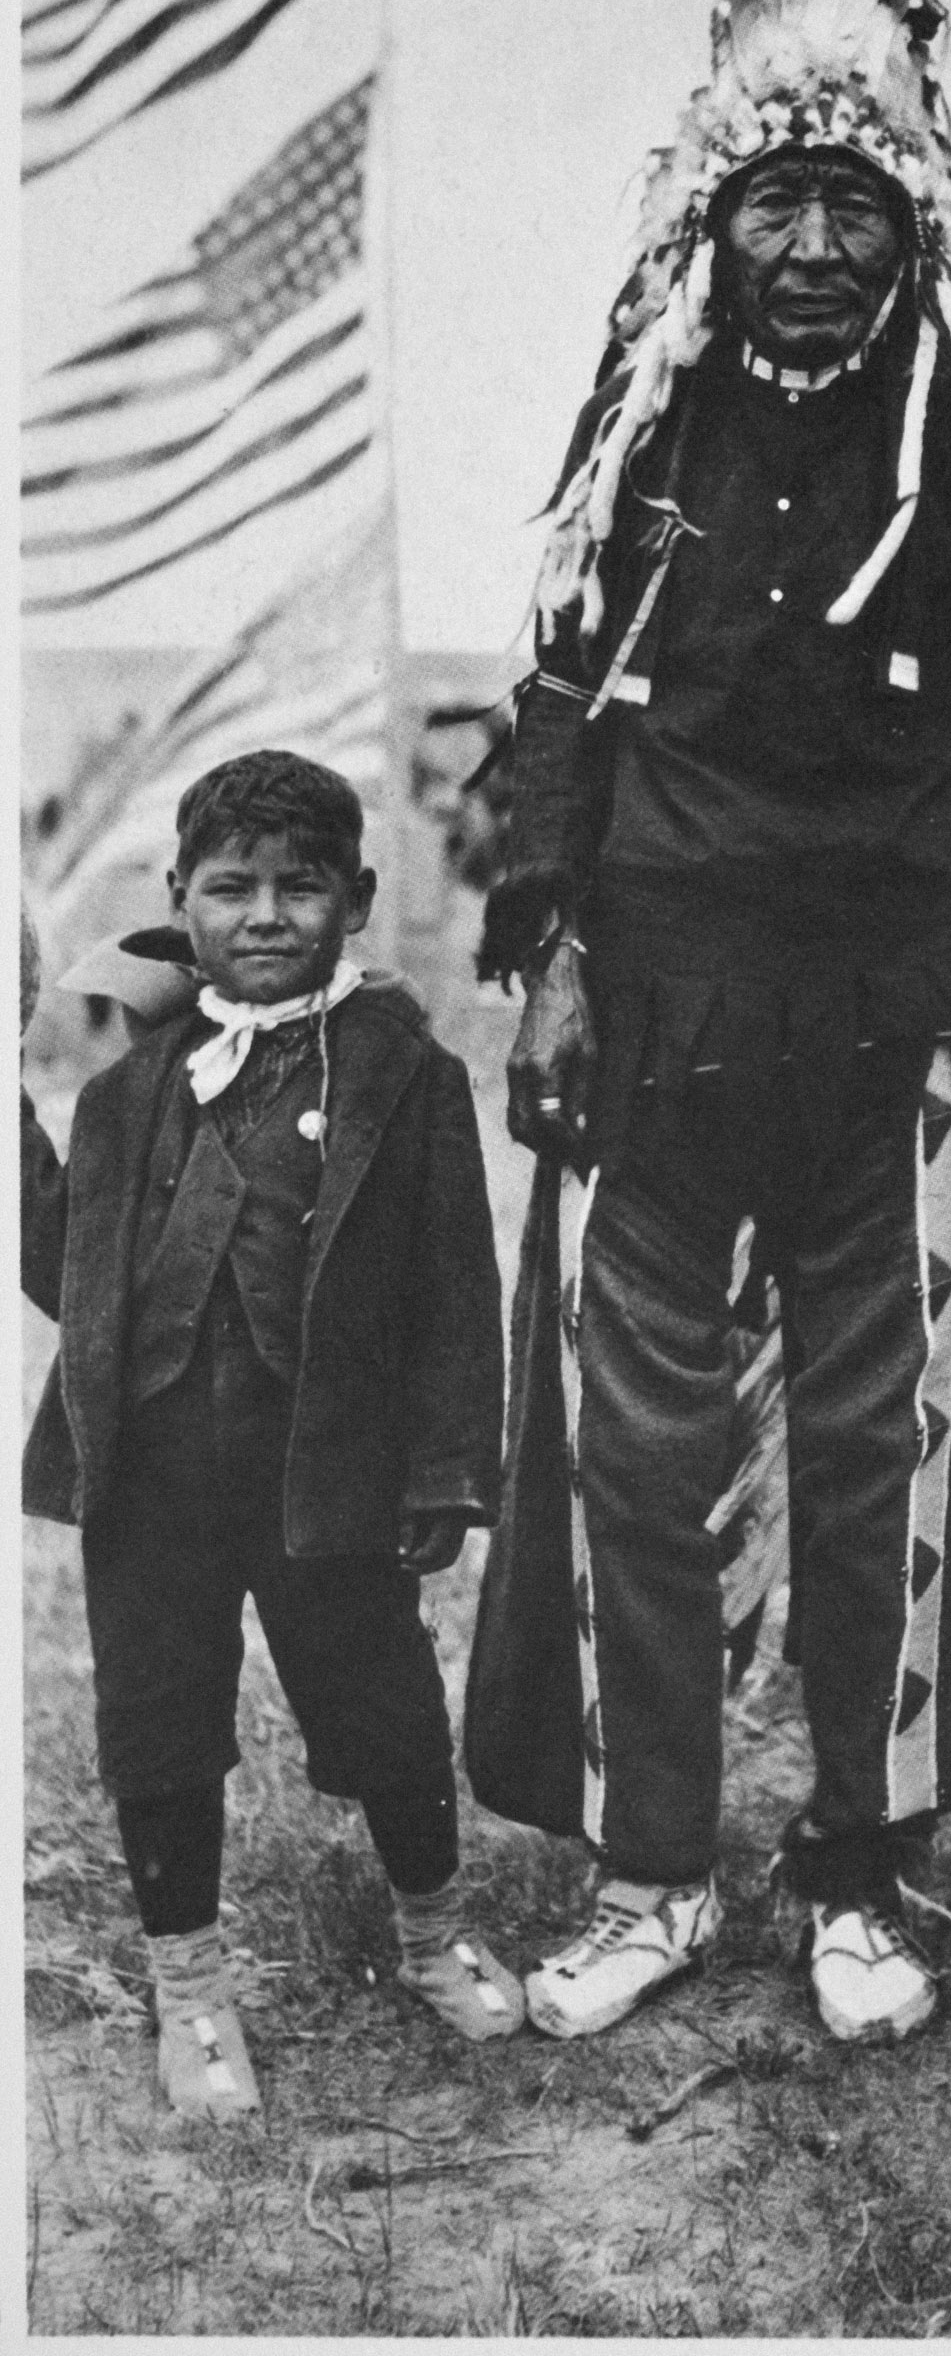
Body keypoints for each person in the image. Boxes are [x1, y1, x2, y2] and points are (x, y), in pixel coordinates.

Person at [470, 0, 951, 2047]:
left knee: (877, 1451)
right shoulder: (645, 441)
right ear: (710, 235)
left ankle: (861, 1870)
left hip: (895, 1019)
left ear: (911, 232)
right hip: (654, 1015)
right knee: (632, 1461)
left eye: (849, 207)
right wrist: (543, 956)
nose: (811, 248)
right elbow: (561, 711)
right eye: (776, 208)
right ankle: (650, 1866)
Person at [19, 751, 520, 2122]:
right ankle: (190, 1993)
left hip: (333, 1473)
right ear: (179, 899)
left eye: (301, 887)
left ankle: (432, 1932)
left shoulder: (401, 1072)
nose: (263, 914)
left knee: (386, 1707)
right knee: (159, 1728)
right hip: (154, 1475)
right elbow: (62, 1267)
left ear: (357, 899)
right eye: (229, 887)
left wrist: (444, 1469)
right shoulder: (129, 1092)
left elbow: (454, 1294)